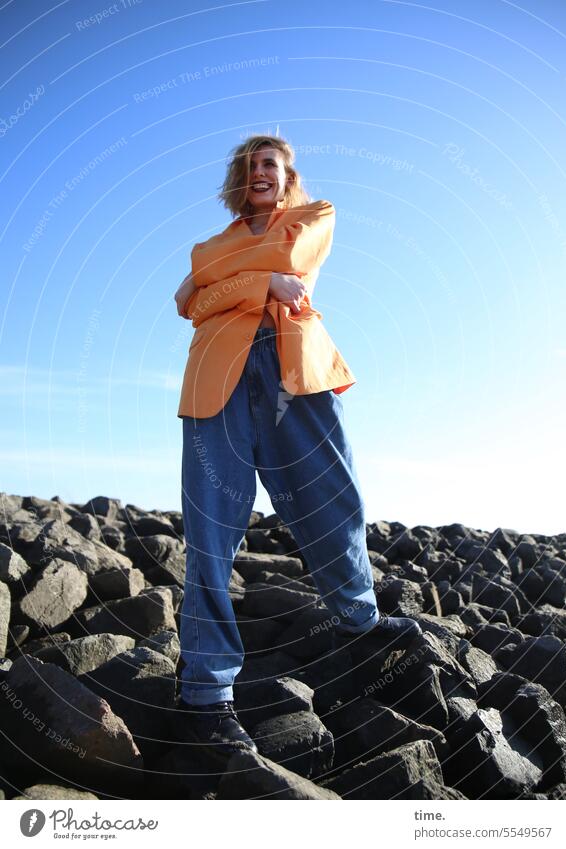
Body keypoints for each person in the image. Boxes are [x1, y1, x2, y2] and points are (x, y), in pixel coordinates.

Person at [172, 134, 422, 762]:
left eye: (271, 166)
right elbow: (188, 296)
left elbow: (272, 261)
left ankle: (359, 621)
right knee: (210, 528)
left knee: (332, 501)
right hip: (216, 379)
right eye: (251, 165)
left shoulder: (316, 215)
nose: (260, 173)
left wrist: (234, 284)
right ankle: (205, 693)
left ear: (288, 179)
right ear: (239, 177)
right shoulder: (211, 245)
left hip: (294, 371)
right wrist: (264, 284)